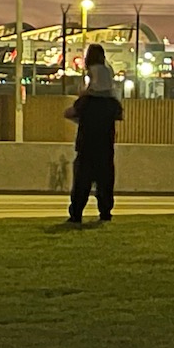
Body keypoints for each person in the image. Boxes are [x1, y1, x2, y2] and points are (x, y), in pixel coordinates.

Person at [67, 44, 123, 223]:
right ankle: (105, 213)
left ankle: (76, 214)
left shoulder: (86, 102)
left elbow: (70, 113)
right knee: (105, 182)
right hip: (105, 147)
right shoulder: (112, 104)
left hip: (86, 145)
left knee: (81, 183)